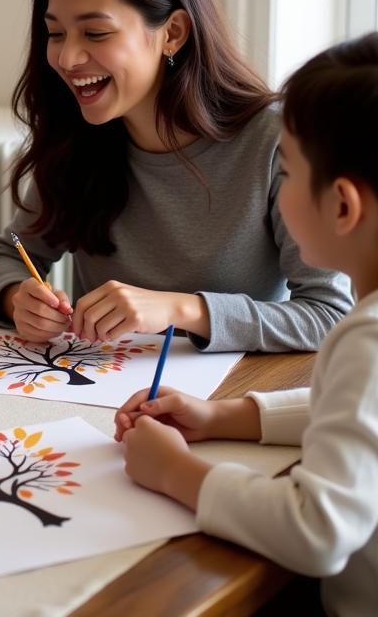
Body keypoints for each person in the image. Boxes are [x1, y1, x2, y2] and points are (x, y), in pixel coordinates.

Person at [0, 0, 352, 351]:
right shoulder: (77, 137)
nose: (66, 57)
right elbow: (10, 255)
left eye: (95, 32)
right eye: (55, 33)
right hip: (99, 399)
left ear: (172, 34)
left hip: (228, 405)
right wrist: (15, 298)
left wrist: (181, 310)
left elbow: (330, 316)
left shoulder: (276, 139)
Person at [116, 33, 378, 617]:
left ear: (342, 205)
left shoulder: (367, 338)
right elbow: (359, 412)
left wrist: (177, 473)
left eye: (285, 171)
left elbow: (316, 530)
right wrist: (229, 415)